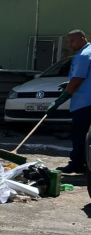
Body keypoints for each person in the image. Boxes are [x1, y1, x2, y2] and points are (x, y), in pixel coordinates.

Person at [46, 29, 91, 174]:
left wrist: (60, 100)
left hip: (85, 103)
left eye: (72, 41)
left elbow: (78, 79)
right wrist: (69, 82)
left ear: (83, 38)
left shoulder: (84, 55)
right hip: (86, 99)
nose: (70, 45)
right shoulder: (86, 52)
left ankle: (77, 164)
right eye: (68, 42)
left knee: (80, 135)